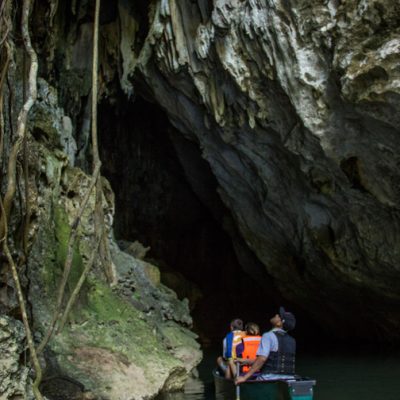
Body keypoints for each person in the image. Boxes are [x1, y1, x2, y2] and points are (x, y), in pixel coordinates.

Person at [235, 307, 296, 384]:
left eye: (279, 316)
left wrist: (244, 377)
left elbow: (262, 359)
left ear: (279, 323)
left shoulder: (268, 336)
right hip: (289, 380)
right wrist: (246, 361)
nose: (276, 315)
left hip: (270, 378)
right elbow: (274, 359)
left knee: (250, 378)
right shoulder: (292, 340)